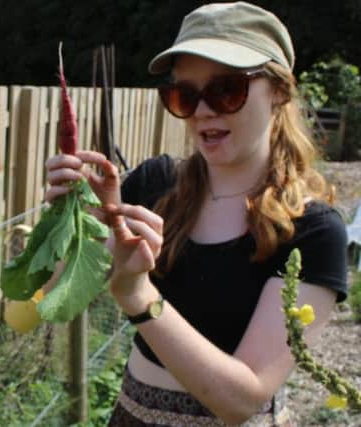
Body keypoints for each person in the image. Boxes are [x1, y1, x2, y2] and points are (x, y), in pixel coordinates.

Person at [44, 2, 348, 426]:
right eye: (184, 94)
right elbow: (51, 296)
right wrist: (70, 219)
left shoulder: (313, 232)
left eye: (227, 90)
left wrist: (138, 296)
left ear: (279, 91)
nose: (203, 110)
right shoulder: (155, 184)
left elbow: (241, 400)